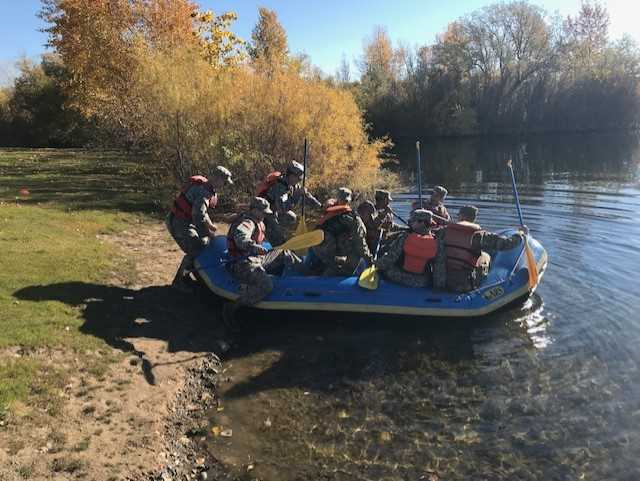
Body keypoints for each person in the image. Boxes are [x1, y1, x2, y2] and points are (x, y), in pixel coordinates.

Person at [224, 197, 302, 320]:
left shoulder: (258, 220)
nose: (265, 215)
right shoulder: (247, 222)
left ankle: (303, 272)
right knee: (266, 285)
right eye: (262, 212)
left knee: (283, 252)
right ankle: (234, 307)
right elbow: (240, 238)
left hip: (255, 257)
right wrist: (253, 246)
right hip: (242, 263)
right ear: (254, 210)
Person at [166, 166, 233, 291]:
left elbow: (201, 212)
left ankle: (188, 276)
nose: (224, 185)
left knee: (202, 245)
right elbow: (198, 215)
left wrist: (210, 225)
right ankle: (179, 281)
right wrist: (206, 233)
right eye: (224, 182)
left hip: (182, 220)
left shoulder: (205, 186)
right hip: (179, 223)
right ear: (217, 178)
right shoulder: (205, 193)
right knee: (196, 249)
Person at [433, 205, 526, 292]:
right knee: (486, 257)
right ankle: (483, 284)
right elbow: (507, 244)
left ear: (461, 216)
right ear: (473, 218)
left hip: (439, 279)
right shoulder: (480, 236)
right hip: (463, 284)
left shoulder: (443, 231)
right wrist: (520, 234)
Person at [256, 161, 322, 246]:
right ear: (291, 175)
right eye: (298, 178)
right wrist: (296, 197)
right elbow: (282, 209)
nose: (299, 180)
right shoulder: (280, 187)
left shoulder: (293, 184)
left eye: (300, 178)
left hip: (275, 211)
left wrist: (320, 206)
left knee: (292, 218)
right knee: (278, 240)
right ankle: (274, 239)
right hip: (265, 213)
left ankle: (283, 234)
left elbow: (307, 197)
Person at [310, 187, 373, 276]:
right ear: (350, 201)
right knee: (356, 253)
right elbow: (361, 244)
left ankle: (323, 267)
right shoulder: (354, 219)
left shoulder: (328, 211)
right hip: (331, 251)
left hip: (319, 250)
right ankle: (342, 273)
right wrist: (370, 261)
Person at [376, 209, 438, 288]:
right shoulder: (436, 242)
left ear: (421, 223)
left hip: (401, 278)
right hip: (422, 282)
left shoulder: (405, 237)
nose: (410, 222)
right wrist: (438, 286)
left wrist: (376, 265)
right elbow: (439, 267)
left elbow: (390, 258)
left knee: (386, 268)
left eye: (413, 221)